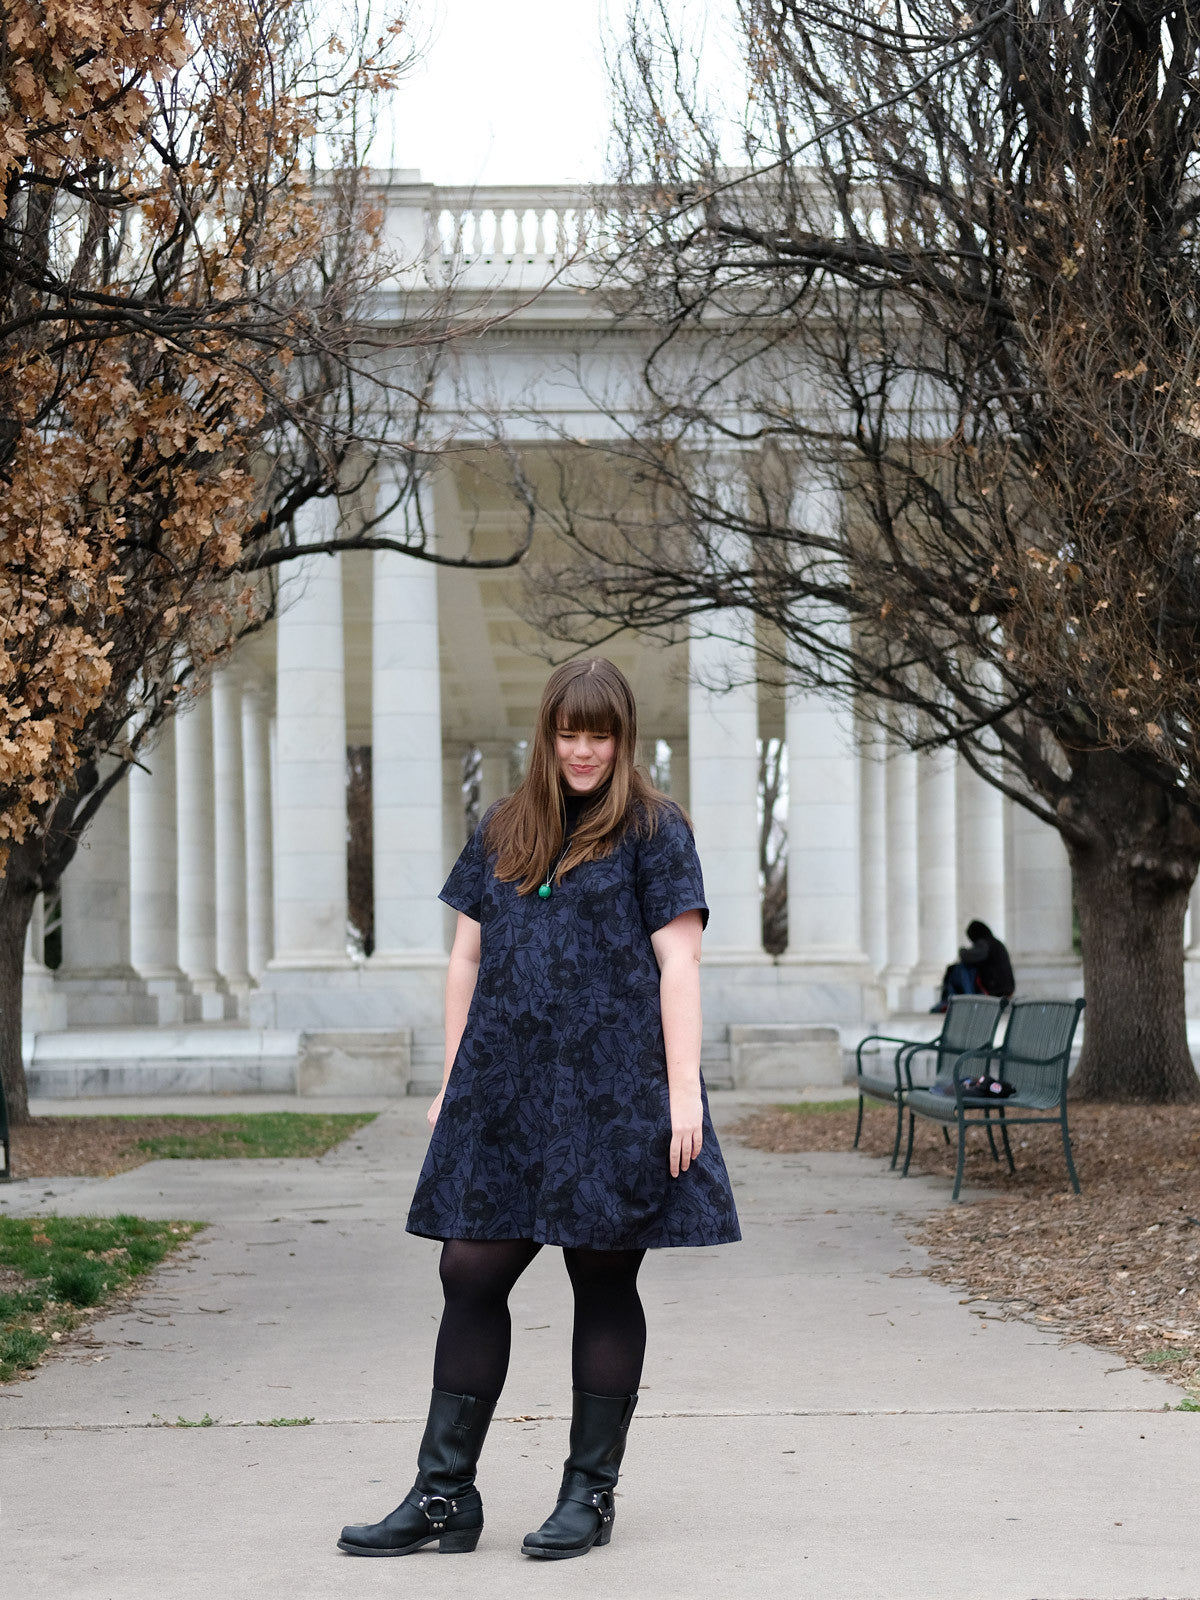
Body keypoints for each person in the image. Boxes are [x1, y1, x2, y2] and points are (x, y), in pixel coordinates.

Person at [337, 657, 741, 1562]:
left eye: (601, 734)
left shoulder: (654, 829)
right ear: (547, 733)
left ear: (621, 737)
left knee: (601, 1278)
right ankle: (444, 1498)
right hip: (505, 1090)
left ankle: (587, 1498)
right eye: (570, 731)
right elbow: (466, 961)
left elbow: (681, 963)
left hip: (614, 1091)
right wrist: (453, 1076)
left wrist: (683, 1093)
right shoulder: (504, 827)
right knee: (470, 1273)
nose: (585, 749)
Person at [934, 919, 1016, 1009]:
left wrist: (962, 951)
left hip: (994, 988)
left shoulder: (985, 943)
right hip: (1006, 987)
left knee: (958, 969)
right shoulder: (997, 943)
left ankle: (958, 1000)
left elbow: (968, 957)